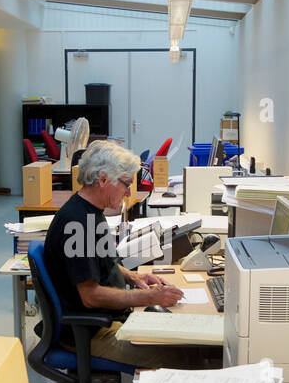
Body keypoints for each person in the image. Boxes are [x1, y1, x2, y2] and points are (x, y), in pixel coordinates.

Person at [42, 140, 215, 370]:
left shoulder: (92, 212)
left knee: (186, 338)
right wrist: (150, 298)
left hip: (109, 321)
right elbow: (90, 296)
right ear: (103, 179)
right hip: (91, 333)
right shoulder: (78, 224)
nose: (128, 193)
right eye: (126, 184)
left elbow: (104, 261)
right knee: (187, 355)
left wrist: (134, 278)